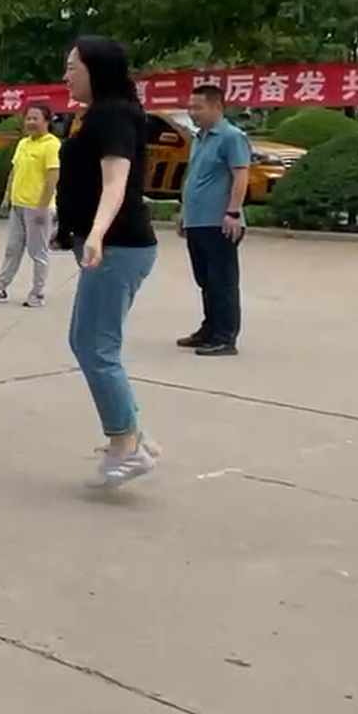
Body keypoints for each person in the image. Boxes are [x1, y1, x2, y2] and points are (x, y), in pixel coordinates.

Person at [55, 36, 160, 487]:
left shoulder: (114, 114)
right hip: (108, 245)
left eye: (72, 67)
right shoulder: (96, 114)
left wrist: (97, 234)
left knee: (95, 346)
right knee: (89, 342)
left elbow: (117, 182)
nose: (66, 75)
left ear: (96, 70)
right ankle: (132, 433)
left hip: (118, 246)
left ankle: (125, 443)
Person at [177, 83, 250, 357]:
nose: (192, 112)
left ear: (217, 107)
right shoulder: (199, 138)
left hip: (219, 221)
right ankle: (209, 329)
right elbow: (195, 177)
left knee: (222, 281)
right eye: (190, 107)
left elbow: (240, 175)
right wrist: (185, 212)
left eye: (198, 107)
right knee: (205, 280)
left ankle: (225, 336)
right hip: (197, 221)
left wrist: (233, 212)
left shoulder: (232, 137)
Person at [0, 103, 61, 307]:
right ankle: (0, 288)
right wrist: (8, 196)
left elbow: (52, 178)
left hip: (38, 208)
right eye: (28, 118)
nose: (30, 122)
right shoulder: (23, 143)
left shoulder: (52, 145)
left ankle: (37, 293)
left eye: (35, 118)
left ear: (46, 121)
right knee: (12, 249)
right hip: (18, 205)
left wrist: (42, 207)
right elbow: (15, 172)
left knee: (38, 252)